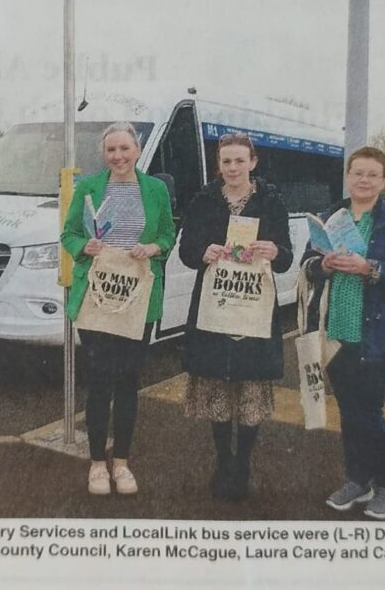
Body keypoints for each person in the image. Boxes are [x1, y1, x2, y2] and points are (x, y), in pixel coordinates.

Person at [302, 146, 385, 520]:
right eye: (358, 173)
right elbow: (308, 267)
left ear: (383, 181)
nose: (364, 180)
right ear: (348, 176)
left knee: (368, 411)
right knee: (350, 412)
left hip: (379, 336)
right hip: (335, 331)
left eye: (372, 174)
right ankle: (357, 479)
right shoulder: (329, 216)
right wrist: (323, 264)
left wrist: (368, 267)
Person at [61, 122, 176, 496]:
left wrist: (152, 249)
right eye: (111, 150)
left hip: (137, 299)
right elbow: (68, 235)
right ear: (104, 153)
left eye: (125, 148)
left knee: (128, 381)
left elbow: (167, 235)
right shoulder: (88, 187)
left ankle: (122, 463)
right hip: (96, 296)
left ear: (138, 150)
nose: (118, 156)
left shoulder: (156, 189)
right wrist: (84, 247)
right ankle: (97, 464)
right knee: (99, 382)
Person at [177, 132, 292, 500]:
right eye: (226, 161)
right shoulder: (204, 199)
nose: (232, 168)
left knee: (249, 387)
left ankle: (242, 462)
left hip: (254, 305)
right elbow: (185, 250)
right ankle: (223, 461)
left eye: (239, 160)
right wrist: (202, 251)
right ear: (219, 164)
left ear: (252, 162)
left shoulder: (271, 200)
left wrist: (274, 249)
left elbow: (287, 255)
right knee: (217, 388)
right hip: (215, 302)